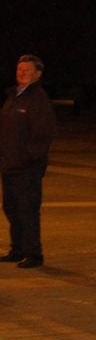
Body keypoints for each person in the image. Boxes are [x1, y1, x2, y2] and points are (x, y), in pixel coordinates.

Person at [1, 54, 57, 268]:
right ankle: (18, 249)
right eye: (19, 70)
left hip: (26, 167)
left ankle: (34, 253)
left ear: (37, 74)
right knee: (11, 208)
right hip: (9, 165)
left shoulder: (38, 100)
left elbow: (44, 134)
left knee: (28, 210)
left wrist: (29, 157)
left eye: (27, 70)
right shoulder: (14, 97)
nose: (21, 73)